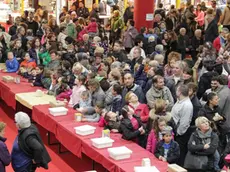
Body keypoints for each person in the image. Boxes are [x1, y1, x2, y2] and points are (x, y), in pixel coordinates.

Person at [171, 85, 193, 166]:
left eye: (177, 90)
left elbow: (185, 122)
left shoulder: (187, 105)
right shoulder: (179, 100)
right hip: (174, 130)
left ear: (179, 92)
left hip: (180, 134)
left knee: (179, 154)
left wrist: (178, 133)